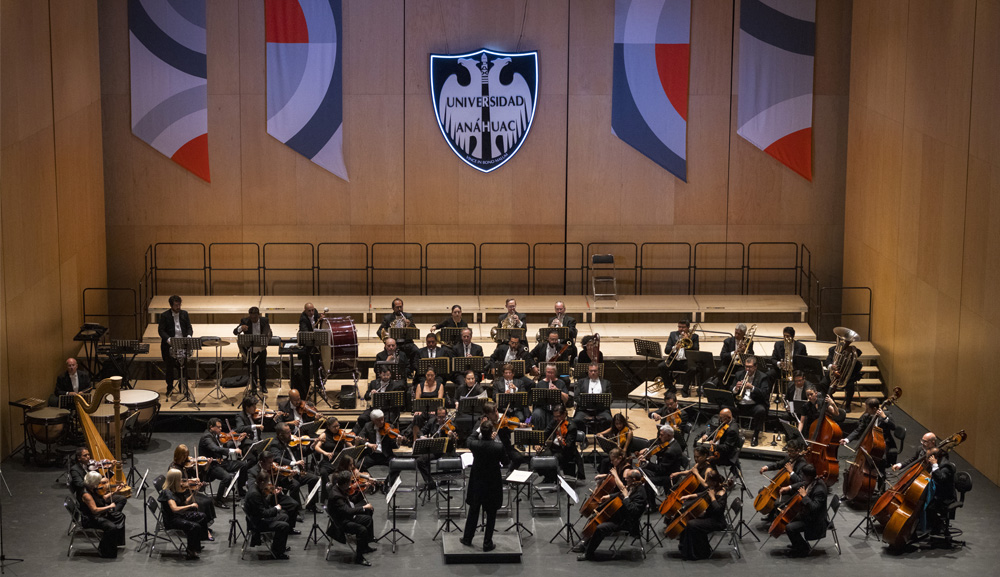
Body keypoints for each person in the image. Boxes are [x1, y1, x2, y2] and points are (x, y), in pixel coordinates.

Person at [460, 418, 510, 551]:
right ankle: (487, 543)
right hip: (492, 483)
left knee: (474, 511)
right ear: (492, 432)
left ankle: (467, 538)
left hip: (477, 482)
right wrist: (496, 440)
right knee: (491, 513)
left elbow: (469, 439)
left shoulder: (475, 445)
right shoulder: (498, 446)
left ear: (481, 432)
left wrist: (478, 430)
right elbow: (505, 462)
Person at [577, 469, 647, 561]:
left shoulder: (640, 493)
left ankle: (588, 554)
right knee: (597, 518)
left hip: (627, 522)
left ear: (633, 479)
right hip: (620, 516)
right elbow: (621, 494)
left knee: (600, 528)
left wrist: (626, 497)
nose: (625, 479)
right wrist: (609, 496)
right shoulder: (633, 486)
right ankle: (585, 546)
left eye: (627, 478)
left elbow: (633, 511)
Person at [840, 398, 897, 487]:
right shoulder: (866, 416)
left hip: (883, 444)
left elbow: (893, 427)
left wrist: (884, 417)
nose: (865, 410)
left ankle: (881, 489)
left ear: (874, 409)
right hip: (869, 442)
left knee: (881, 464)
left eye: (867, 408)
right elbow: (859, 430)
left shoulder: (887, 414)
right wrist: (847, 439)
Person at [678, 468, 730, 560]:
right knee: (689, 520)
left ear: (714, 482)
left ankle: (698, 553)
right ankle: (686, 549)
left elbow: (718, 510)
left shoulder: (722, 493)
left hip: (716, 521)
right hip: (709, 517)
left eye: (708, 481)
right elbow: (701, 494)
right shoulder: (712, 488)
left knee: (691, 524)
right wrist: (689, 496)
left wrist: (713, 497)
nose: (706, 482)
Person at [267, 422, 320, 510]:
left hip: (297, 472)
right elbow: (277, 458)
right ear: (280, 435)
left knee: (314, 478)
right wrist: (293, 463)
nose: (290, 434)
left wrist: (312, 446)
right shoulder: (274, 444)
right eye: (288, 433)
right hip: (284, 474)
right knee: (295, 485)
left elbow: (304, 453)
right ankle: (296, 509)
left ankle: (311, 505)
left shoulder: (292, 441)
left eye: (290, 431)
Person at [327, 471, 376, 565]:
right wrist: (363, 508)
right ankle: (359, 558)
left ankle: (364, 547)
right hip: (341, 522)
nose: (351, 484)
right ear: (345, 483)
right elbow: (348, 511)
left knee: (368, 520)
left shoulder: (341, 488)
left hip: (347, 516)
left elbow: (352, 501)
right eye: (350, 482)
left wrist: (364, 491)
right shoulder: (336, 496)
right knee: (362, 530)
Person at [779, 464, 827, 557]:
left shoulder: (820, 490)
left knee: (790, 527)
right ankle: (798, 544)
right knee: (789, 517)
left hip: (815, 521)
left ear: (808, 476)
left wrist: (805, 496)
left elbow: (814, 508)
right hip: (808, 515)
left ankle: (802, 549)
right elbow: (801, 483)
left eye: (803, 476)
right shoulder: (813, 481)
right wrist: (789, 487)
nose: (802, 478)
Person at [159, 468, 209, 559]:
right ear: (174, 480)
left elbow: (184, 502)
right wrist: (191, 506)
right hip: (172, 520)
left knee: (202, 516)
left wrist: (194, 492)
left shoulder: (176, 489)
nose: (182, 481)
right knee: (194, 526)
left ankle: (196, 545)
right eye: (180, 479)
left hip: (179, 515)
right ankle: (190, 550)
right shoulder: (167, 493)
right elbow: (174, 509)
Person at [198, 417, 248, 507]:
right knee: (227, 477)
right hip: (211, 466)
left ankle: (240, 490)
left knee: (243, 465)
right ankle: (218, 500)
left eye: (221, 427)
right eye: (218, 427)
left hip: (220, 462)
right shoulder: (206, 437)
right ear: (211, 427)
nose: (221, 429)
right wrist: (233, 450)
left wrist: (237, 441)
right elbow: (215, 448)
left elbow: (225, 445)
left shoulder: (218, 436)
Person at [244, 453, 300, 532]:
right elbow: (252, 487)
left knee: (294, 504)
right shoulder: (252, 471)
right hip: (263, 498)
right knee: (282, 513)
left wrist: (289, 478)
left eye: (272, 462)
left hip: (274, 495)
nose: (272, 465)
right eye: (269, 463)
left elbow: (282, 482)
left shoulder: (272, 469)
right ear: (261, 462)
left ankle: (289, 529)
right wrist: (269, 491)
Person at [168, 444, 217, 534]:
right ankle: (201, 529)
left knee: (208, 500)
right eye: (184, 456)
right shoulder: (173, 468)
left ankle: (203, 526)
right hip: (180, 494)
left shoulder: (184, 465)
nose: (187, 459)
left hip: (187, 490)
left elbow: (197, 475)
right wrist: (192, 482)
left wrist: (205, 467)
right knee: (201, 503)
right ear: (179, 456)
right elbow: (179, 484)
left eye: (187, 456)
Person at [758, 438, 808, 523]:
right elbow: (778, 464)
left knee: (778, 502)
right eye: (788, 451)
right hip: (782, 486)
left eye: (791, 451)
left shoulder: (803, 464)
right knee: (762, 491)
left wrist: (791, 472)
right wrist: (767, 467)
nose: (789, 453)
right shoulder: (789, 457)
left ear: (798, 451)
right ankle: (771, 516)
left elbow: (801, 482)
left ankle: (780, 521)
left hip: (792, 491)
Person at [78, 471, 126, 558]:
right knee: (111, 527)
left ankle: (117, 542)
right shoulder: (86, 494)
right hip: (91, 519)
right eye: (99, 481)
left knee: (120, 516)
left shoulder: (93, 488)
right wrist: (109, 507)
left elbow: (103, 498)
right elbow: (95, 510)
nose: (100, 483)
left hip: (99, 515)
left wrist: (115, 491)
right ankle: (105, 551)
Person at [244, 472, 291, 560]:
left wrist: (272, 495)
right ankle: (278, 553)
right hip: (256, 523)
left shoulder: (256, 488)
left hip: (257, 518)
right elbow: (263, 513)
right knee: (284, 526)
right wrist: (276, 509)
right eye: (267, 482)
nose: (268, 485)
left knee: (284, 516)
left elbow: (262, 506)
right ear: (262, 482)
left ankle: (278, 546)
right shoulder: (254, 494)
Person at [158, 295, 193, 397]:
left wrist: (189, 336)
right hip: (169, 346)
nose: (178, 307)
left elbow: (189, 327)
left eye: (179, 304)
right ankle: (169, 388)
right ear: (171, 305)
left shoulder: (184, 314)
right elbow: (161, 330)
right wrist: (169, 340)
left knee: (183, 368)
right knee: (169, 368)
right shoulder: (165, 316)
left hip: (182, 345)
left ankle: (184, 388)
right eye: (176, 305)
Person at [730, 356, 769, 446]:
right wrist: (736, 388)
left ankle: (755, 435)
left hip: (754, 405)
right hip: (740, 404)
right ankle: (730, 433)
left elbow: (764, 393)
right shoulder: (739, 374)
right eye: (746, 366)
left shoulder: (763, 377)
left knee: (761, 410)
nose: (747, 369)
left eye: (750, 367)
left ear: (755, 367)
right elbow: (731, 389)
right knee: (725, 407)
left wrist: (752, 387)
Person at [354, 365, 406, 433]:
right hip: (375, 409)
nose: (386, 377)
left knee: (387, 422)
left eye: (388, 375)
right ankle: (363, 435)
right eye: (384, 375)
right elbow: (366, 397)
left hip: (388, 410)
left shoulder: (396, 385)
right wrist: (371, 394)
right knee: (362, 418)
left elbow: (399, 402)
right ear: (380, 374)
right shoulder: (374, 383)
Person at [234, 306, 273, 394]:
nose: (253, 319)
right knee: (252, 370)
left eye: (255, 317)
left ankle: (263, 386)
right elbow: (235, 332)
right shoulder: (245, 321)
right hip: (250, 350)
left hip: (261, 349)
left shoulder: (264, 320)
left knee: (263, 369)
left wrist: (266, 340)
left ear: (258, 315)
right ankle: (254, 388)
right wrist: (241, 328)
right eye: (251, 317)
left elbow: (269, 332)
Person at [358, 409, 400, 487]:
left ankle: (387, 483)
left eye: (382, 419)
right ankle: (373, 482)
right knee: (358, 466)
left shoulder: (389, 427)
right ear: (373, 420)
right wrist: (369, 444)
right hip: (372, 455)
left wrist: (398, 442)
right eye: (378, 420)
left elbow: (393, 445)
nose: (381, 422)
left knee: (398, 465)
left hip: (386, 455)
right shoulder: (367, 426)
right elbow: (361, 438)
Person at [543, 404, 585, 481]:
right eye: (555, 416)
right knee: (540, 456)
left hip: (566, 451)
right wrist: (539, 443)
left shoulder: (571, 426)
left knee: (553, 458)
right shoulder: (554, 421)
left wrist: (562, 442)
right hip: (554, 448)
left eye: (558, 416)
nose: (556, 418)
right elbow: (546, 433)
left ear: (564, 414)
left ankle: (553, 478)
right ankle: (549, 476)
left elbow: (569, 445)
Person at [657, 320, 699, 396]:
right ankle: (670, 388)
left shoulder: (694, 336)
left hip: (686, 362)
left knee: (693, 369)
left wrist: (687, 343)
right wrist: (675, 347)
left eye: (683, 327)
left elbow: (696, 350)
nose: (681, 329)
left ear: (688, 327)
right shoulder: (673, 335)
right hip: (674, 361)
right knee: (661, 366)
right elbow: (667, 350)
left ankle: (685, 389)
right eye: (679, 327)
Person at [639, 425, 687, 490]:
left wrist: (646, 463)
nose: (659, 437)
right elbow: (658, 448)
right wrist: (648, 450)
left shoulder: (670, 451)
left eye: (661, 435)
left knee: (646, 481)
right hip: (664, 471)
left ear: (669, 436)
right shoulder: (671, 442)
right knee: (639, 472)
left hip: (668, 476)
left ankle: (650, 499)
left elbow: (661, 469)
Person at [378, 298, 418, 371]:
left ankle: (410, 371)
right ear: (393, 308)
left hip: (407, 342)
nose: (399, 309)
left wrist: (409, 325)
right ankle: (390, 371)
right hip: (394, 343)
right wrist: (387, 340)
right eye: (397, 307)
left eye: (401, 307)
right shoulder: (388, 318)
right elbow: (379, 331)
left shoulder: (408, 316)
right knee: (389, 349)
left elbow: (414, 330)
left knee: (416, 351)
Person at [572, 363, 613, 433]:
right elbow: (576, 397)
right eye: (591, 371)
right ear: (588, 372)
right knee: (576, 420)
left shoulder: (606, 383)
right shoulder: (581, 382)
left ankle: (604, 437)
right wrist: (584, 403)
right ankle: (582, 438)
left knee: (609, 420)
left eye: (595, 371)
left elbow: (610, 398)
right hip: (584, 410)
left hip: (601, 410)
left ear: (599, 372)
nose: (593, 373)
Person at [530, 363, 570, 432]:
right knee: (536, 414)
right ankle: (538, 434)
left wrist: (557, 391)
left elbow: (566, 399)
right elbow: (535, 400)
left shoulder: (561, 383)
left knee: (558, 414)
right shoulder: (540, 383)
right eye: (548, 372)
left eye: (552, 373)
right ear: (545, 372)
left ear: (555, 373)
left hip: (556, 407)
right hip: (543, 407)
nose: (550, 374)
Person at [296, 303, 323, 400]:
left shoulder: (315, 312)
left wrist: (321, 318)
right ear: (305, 310)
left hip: (314, 344)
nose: (312, 312)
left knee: (317, 365)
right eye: (309, 311)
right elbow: (305, 332)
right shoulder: (303, 318)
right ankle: (306, 388)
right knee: (306, 368)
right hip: (306, 345)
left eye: (312, 310)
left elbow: (319, 318)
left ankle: (319, 386)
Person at [825, 344, 862, 409]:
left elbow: (859, 353)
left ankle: (847, 405)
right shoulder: (833, 349)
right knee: (823, 384)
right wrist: (831, 366)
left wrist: (851, 352)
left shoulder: (854, 351)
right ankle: (832, 402)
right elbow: (827, 361)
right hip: (834, 374)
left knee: (851, 387)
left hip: (847, 377)